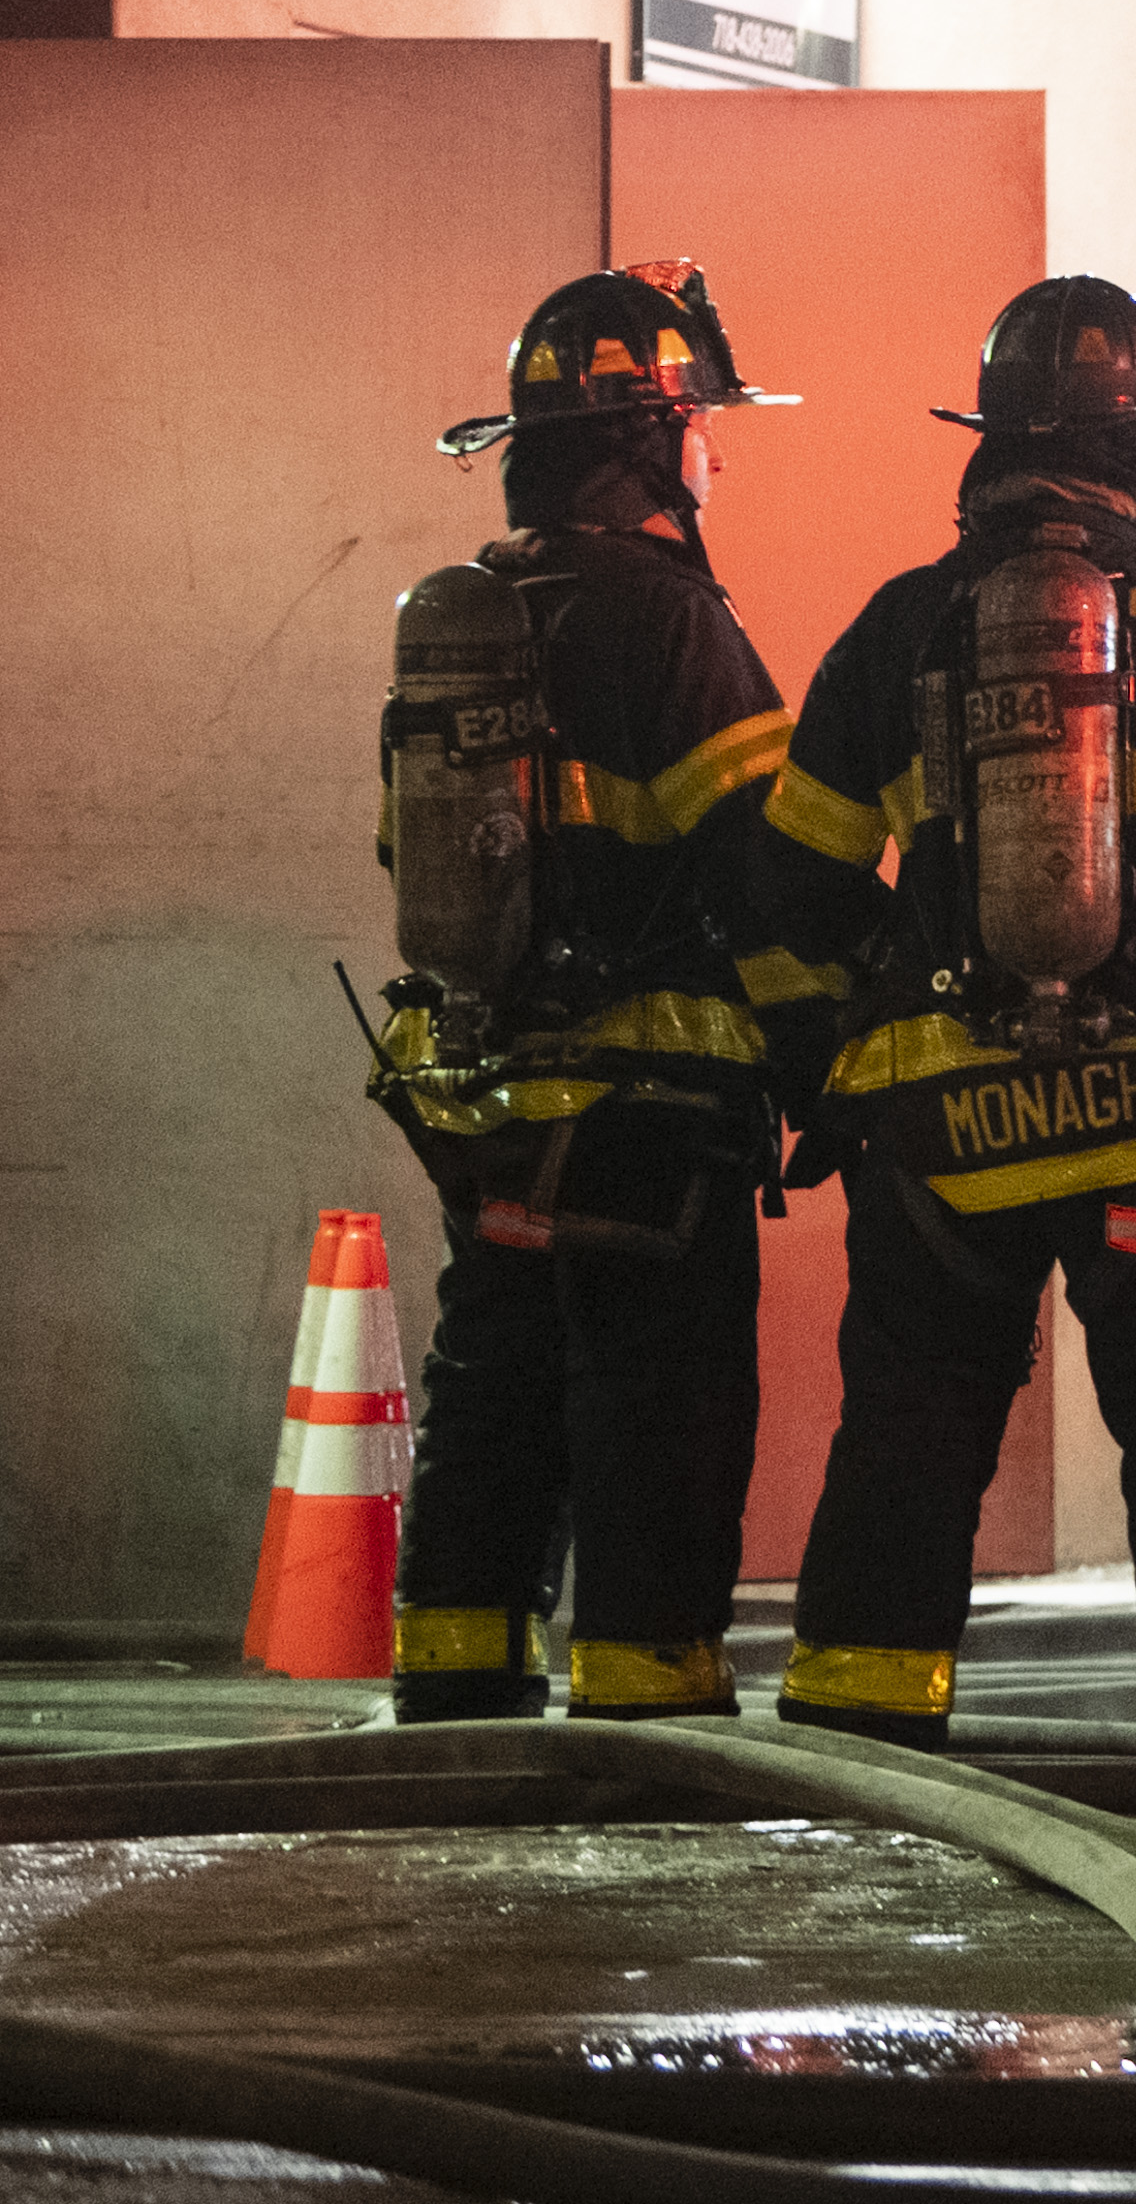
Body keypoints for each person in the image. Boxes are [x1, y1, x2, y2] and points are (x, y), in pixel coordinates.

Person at [763, 277, 1136, 1756]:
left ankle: (859, 1759)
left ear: (986, 441)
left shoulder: (892, 637)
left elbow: (787, 897)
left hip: (944, 1140)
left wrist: (837, 1077)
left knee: (909, 1434)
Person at [368, 268, 809, 1724]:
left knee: (493, 1371)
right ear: (654, 438)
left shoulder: (471, 617)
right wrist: (828, 1049)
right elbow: (761, 864)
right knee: (656, 1400)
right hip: (648, 1103)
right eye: (700, 425)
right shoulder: (669, 619)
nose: (715, 456)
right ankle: (646, 1699)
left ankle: (455, 1677)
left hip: (481, 1095)